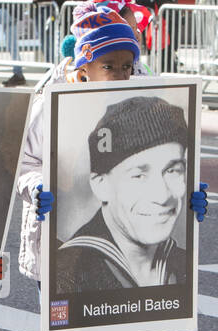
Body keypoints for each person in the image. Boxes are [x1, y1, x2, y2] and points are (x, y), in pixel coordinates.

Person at [16, 10, 208, 331]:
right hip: (56, 254)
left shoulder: (139, 101)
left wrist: (191, 198)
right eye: (112, 65)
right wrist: (36, 184)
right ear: (84, 67)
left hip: (109, 264)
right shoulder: (50, 101)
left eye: (128, 64)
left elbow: (176, 159)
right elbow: (22, 161)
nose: (123, 73)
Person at [54, 95, 192, 292]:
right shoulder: (70, 270)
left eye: (172, 171)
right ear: (101, 185)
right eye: (138, 176)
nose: (162, 196)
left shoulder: (181, 263)